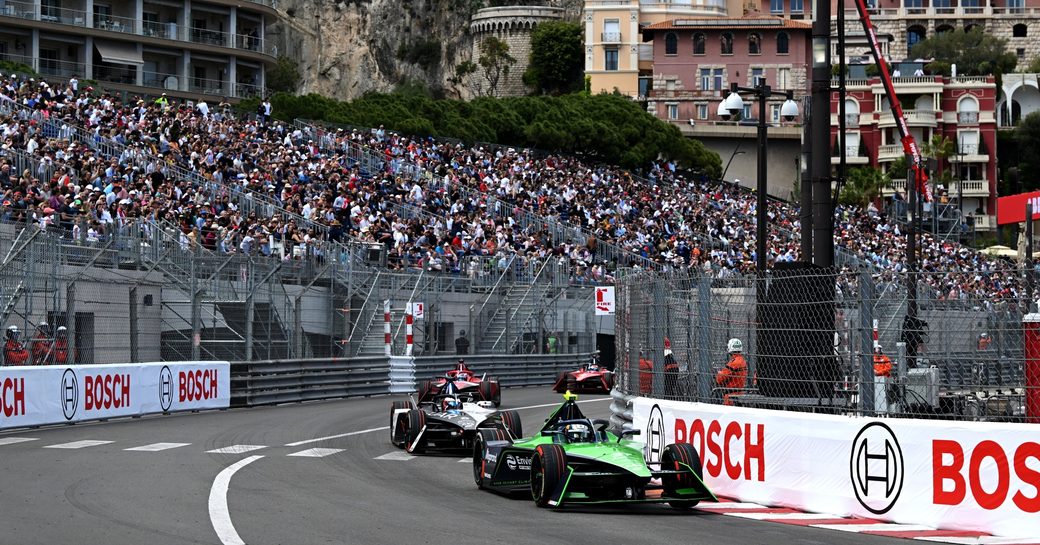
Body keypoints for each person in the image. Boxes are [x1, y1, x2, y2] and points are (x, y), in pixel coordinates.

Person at [716, 338, 748, 405]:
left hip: (730, 395)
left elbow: (720, 379)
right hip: (739, 393)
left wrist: (718, 374)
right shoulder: (742, 360)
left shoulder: (734, 363)